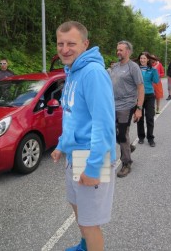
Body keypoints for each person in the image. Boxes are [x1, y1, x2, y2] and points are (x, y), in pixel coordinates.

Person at [51, 21, 116, 251]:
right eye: (60, 43)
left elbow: (104, 125)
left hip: (91, 156)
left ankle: (90, 245)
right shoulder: (72, 71)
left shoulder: (93, 73)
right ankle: (84, 246)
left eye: (71, 43)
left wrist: (94, 167)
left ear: (85, 44)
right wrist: (60, 145)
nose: (65, 49)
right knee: (78, 208)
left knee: (90, 223)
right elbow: (72, 116)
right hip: (74, 154)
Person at [109, 40, 144, 178]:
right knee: (111, 132)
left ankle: (126, 163)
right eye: (117, 49)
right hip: (112, 106)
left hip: (127, 106)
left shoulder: (133, 67)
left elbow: (141, 88)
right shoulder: (115, 67)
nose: (118, 52)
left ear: (128, 51)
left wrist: (139, 108)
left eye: (121, 50)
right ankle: (128, 147)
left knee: (122, 134)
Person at [137, 52, 159, 147]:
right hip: (138, 96)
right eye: (141, 58)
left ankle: (150, 138)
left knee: (150, 118)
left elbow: (156, 81)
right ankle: (141, 137)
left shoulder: (152, 69)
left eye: (144, 58)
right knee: (140, 118)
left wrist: (155, 71)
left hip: (150, 95)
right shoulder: (136, 69)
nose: (142, 60)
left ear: (148, 60)